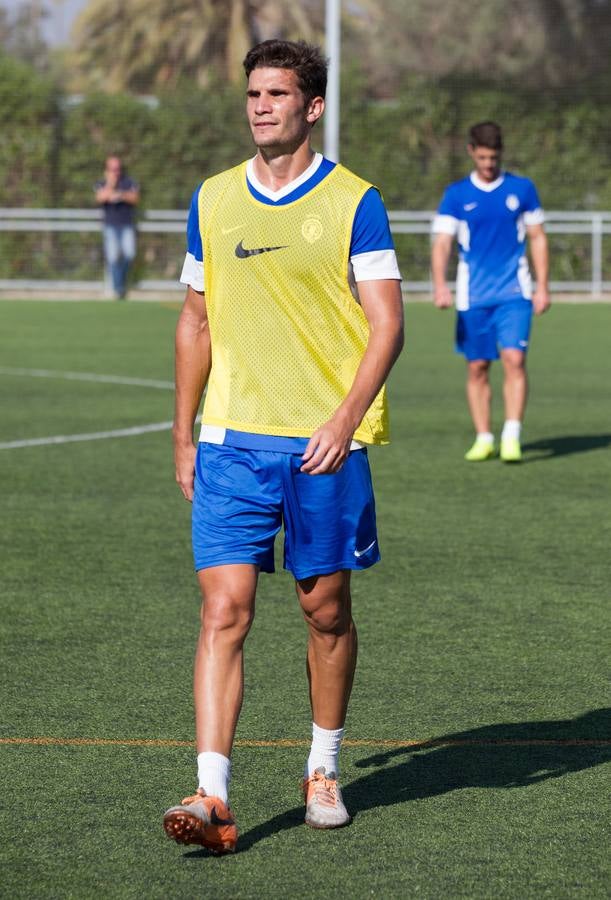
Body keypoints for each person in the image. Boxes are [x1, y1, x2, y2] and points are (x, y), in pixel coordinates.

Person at [163, 39, 404, 854]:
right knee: (223, 608)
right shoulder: (213, 198)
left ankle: (322, 768)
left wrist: (342, 420)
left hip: (323, 448)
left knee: (323, 611)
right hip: (231, 442)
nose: (260, 105)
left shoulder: (353, 201)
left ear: (312, 106)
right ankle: (211, 792)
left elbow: (388, 324)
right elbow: (193, 321)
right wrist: (185, 431)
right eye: (252, 93)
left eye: (278, 93)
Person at [431, 121, 550, 462]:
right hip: (473, 296)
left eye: (493, 157)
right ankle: (484, 437)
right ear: (471, 152)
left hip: (515, 292)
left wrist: (542, 287)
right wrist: (440, 285)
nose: (488, 164)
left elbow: (538, 237)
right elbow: (443, 243)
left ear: (501, 154)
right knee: (478, 366)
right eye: (482, 157)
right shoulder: (456, 195)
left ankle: (511, 435)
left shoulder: (522, 189)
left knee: (514, 359)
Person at [94, 155, 139, 299]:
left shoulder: (128, 182)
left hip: (126, 224)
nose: (116, 172)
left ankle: (120, 284)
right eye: (112, 169)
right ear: (106, 170)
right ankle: (118, 288)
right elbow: (100, 198)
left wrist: (121, 195)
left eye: (118, 169)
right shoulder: (102, 183)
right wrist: (111, 184)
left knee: (129, 254)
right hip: (110, 225)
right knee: (112, 258)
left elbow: (135, 198)